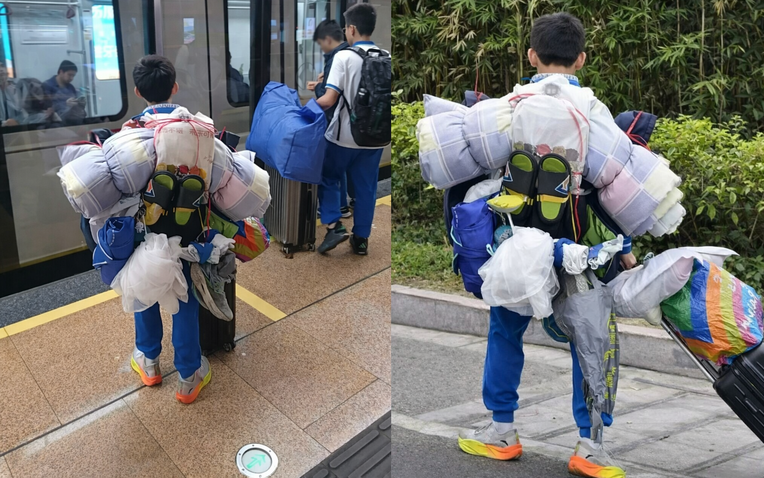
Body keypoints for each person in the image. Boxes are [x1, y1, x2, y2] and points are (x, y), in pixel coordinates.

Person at [456, 13, 636, 478]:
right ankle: (589, 446)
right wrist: (625, 246)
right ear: (582, 59)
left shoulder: (508, 106)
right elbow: (615, 185)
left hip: (516, 240)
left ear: (532, 55)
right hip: (578, 242)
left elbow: (479, 171)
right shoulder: (593, 110)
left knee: (505, 331)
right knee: (589, 339)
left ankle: (502, 432)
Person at [124, 55, 210, 404]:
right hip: (188, 230)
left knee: (144, 287)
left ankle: (149, 362)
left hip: (144, 229)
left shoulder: (130, 131)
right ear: (175, 87)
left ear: (137, 91)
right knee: (185, 296)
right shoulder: (198, 127)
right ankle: (189, 376)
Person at [314, 4, 386, 255]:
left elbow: (329, 99)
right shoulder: (385, 56)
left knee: (327, 176)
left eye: (346, 28)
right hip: (376, 138)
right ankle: (361, 239)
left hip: (344, 137)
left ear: (352, 29)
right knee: (366, 188)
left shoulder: (344, 57)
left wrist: (303, 108)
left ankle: (334, 226)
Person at [308, 19, 352, 219]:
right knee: (340, 168)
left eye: (320, 43)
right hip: (347, 122)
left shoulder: (336, 58)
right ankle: (342, 206)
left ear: (327, 39)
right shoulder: (351, 53)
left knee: (331, 168)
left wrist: (318, 87)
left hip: (334, 120)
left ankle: (336, 211)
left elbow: (329, 98)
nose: (321, 48)